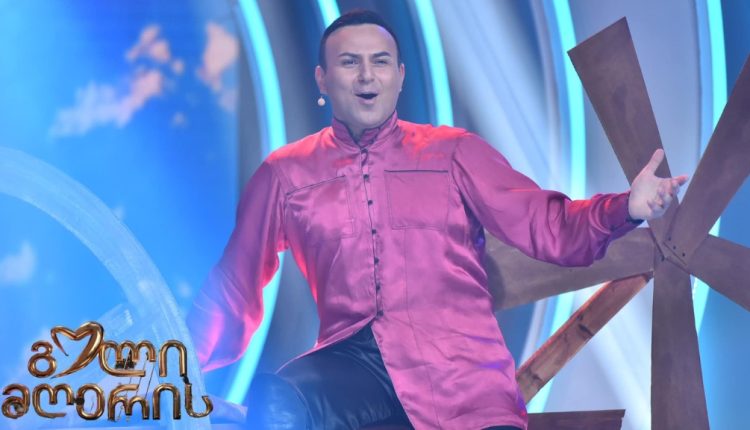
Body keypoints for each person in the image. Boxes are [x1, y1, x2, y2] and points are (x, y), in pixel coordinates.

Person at [187, 10, 686, 430]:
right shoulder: (284, 175)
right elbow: (232, 290)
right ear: (322, 79)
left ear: (400, 75)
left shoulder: (453, 153)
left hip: (462, 374)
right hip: (354, 369)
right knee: (276, 405)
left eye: (380, 62)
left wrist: (626, 207)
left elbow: (547, 226)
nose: (367, 76)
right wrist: (172, 369)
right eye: (350, 62)